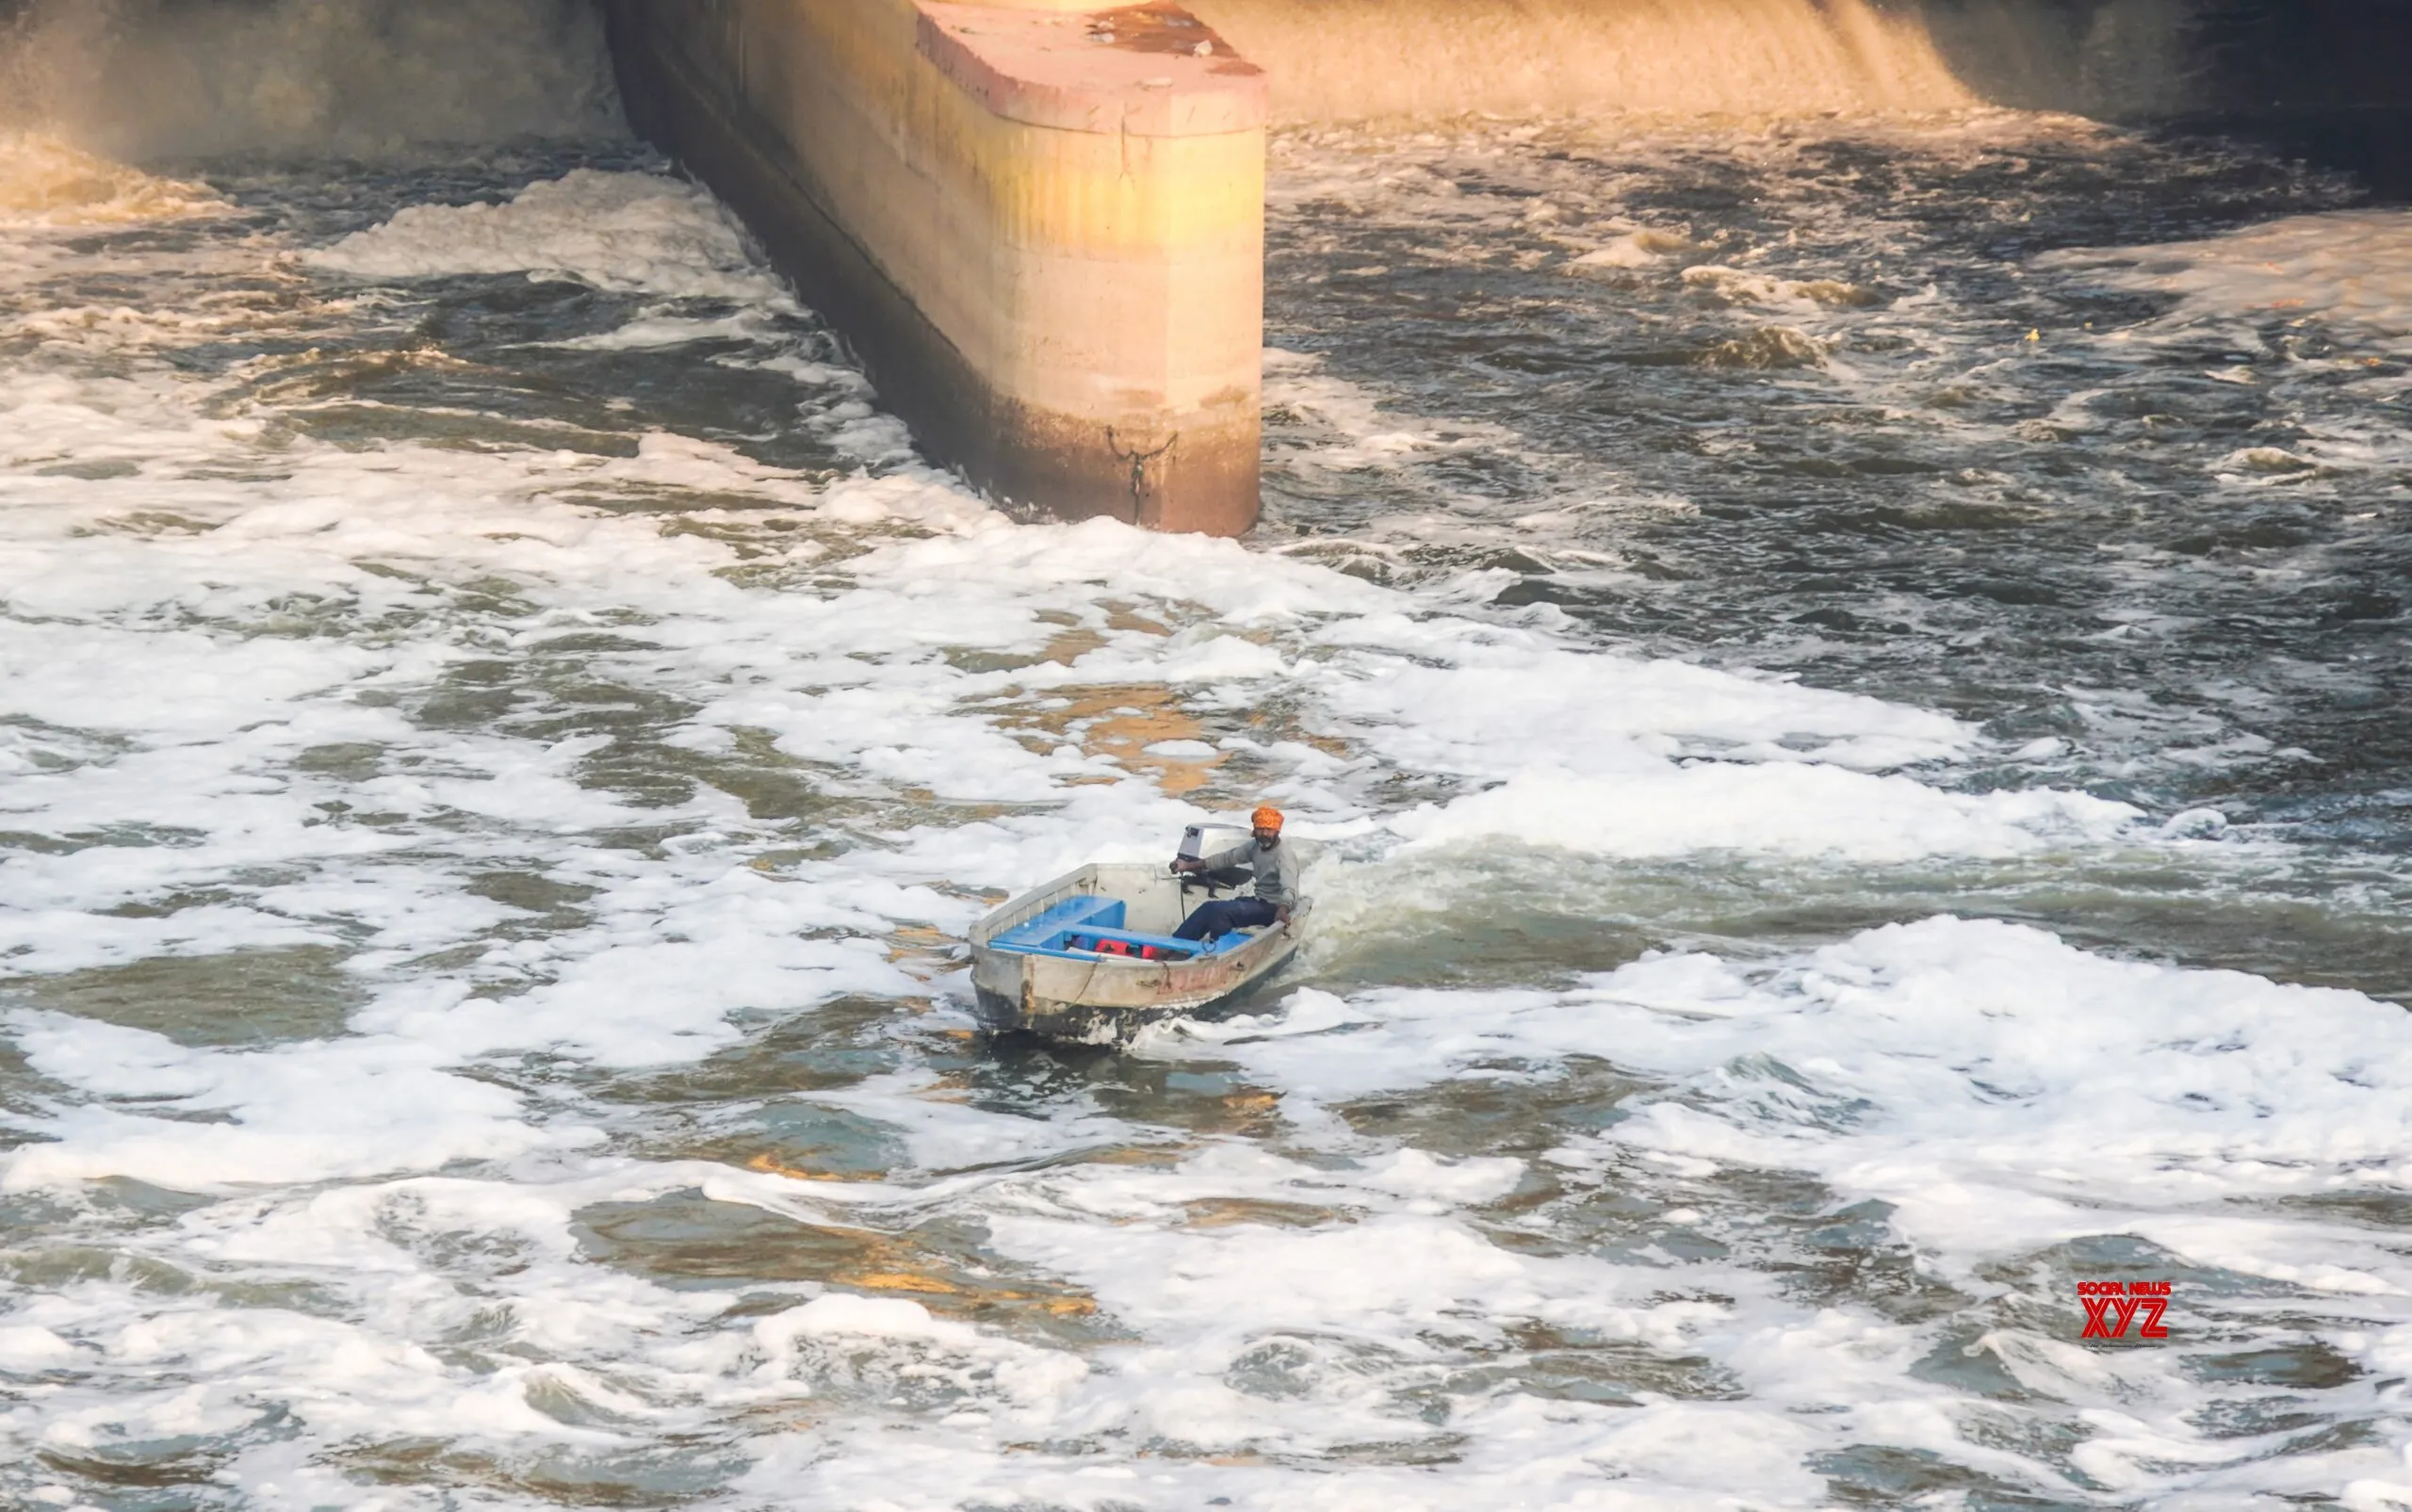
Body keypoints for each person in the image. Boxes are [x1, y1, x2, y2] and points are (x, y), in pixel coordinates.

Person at [1171, 805, 1300, 941]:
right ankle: (1204, 946)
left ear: (1277, 831)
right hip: (1259, 901)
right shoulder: (1255, 846)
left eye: (1269, 830)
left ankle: (1195, 948)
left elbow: (1290, 888)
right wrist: (1187, 866)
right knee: (1217, 911)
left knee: (1215, 910)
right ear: (1254, 830)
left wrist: (1283, 909)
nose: (1264, 834)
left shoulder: (1284, 855)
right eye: (1260, 829)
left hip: (1275, 907)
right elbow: (1227, 858)